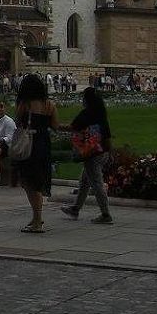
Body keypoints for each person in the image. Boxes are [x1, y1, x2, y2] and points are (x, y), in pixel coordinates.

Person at [60, 87, 114, 224]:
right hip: (102, 152)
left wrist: (55, 125)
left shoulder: (86, 114)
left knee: (96, 184)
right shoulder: (101, 113)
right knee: (85, 181)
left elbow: (73, 127)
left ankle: (106, 214)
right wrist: (110, 152)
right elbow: (107, 135)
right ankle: (75, 208)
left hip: (91, 154)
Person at [13, 74, 57, 233]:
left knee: (30, 182)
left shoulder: (25, 104)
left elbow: (17, 122)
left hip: (30, 145)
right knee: (36, 181)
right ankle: (35, 217)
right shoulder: (49, 104)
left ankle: (38, 220)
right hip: (44, 144)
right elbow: (55, 125)